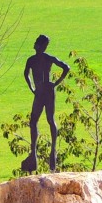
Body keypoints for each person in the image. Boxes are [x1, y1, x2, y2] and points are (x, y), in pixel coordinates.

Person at [23, 34, 70, 173]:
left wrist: (55, 83)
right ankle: (33, 153)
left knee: (50, 119)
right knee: (34, 121)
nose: (35, 44)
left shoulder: (46, 58)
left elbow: (66, 67)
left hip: (45, 90)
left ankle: (52, 152)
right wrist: (32, 87)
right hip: (42, 91)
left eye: (38, 43)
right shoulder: (32, 60)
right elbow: (26, 74)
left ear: (41, 46)